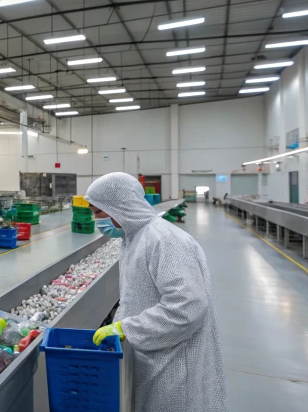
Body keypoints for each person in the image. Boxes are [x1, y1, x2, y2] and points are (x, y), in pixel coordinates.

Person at [86, 173, 228, 412]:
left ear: (120, 206)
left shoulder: (164, 240)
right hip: (153, 356)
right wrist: (120, 323)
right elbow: (135, 297)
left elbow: (188, 306)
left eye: (98, 212)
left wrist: (127, 328)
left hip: (173, 364)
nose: (96, 220)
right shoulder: (134, 239)